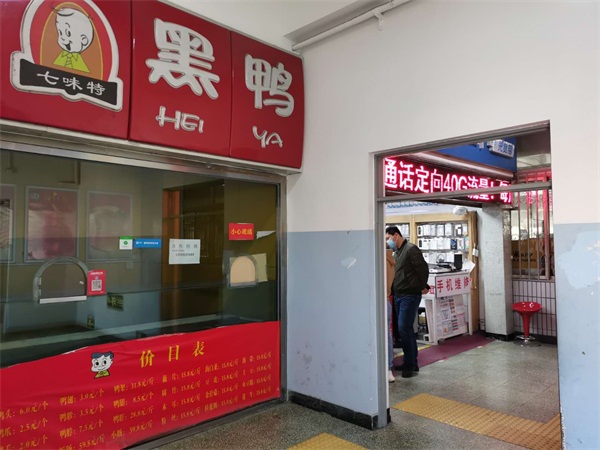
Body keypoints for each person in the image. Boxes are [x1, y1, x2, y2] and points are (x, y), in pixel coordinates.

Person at [385, 225, 429, 378]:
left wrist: (422, 286)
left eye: (388, 238)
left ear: (395, 235)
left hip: (409, 295)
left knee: (404, 327)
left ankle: (411, 364)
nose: (387, 241)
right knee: (404, 329)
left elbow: (422, 269)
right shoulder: (397, 252)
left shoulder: (411, 249)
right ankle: (410, 361)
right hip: (399, 295)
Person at [385, 245, 396, 382]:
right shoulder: (390, 259)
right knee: (386, 335)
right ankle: (388, 368)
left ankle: (387, 368)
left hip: (379, 301)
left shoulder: (381, 260)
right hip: (386, 299)